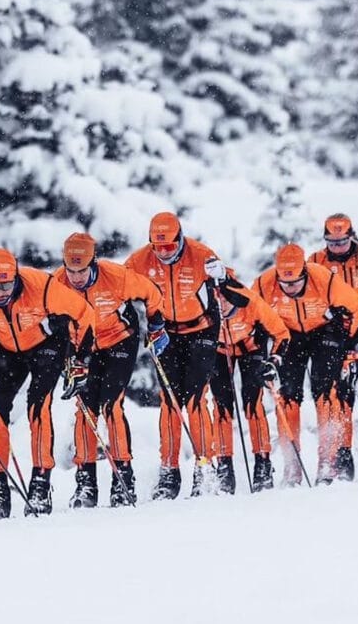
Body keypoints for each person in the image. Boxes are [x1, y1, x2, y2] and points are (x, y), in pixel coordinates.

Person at [0, 248, 95, 517]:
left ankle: (40, 483)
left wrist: (81, 360)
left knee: (38, 406)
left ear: (16, 278)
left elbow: (84, 313)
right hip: (7, 347)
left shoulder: (41, 286)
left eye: (6, 285)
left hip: (47, 345)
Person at [53, 232, 165, 508]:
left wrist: (156, 325)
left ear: (93, 262)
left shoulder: (116, 277)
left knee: (111, 405)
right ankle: (86, 482)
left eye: (82, 271)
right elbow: (47, 321)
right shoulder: (56, 283)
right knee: (85, 408)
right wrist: (65, 357)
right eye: (71, 271)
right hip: (83, 348)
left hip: (119, 340)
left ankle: (123, 477)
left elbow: (152, 293)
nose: (76, 278)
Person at [124, 212, 223, 500]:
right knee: (169, 401)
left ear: (180, 239)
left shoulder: (201, 254)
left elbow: (226, 283)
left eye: (170, 246)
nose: (165, 253)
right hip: (165, 333)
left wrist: (222, 275)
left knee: (195, 398)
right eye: (159, 247)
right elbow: (117, 283)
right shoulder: (139, 260)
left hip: (201, 330)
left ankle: (205, 468)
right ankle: (169, 470)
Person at [254, 243, 358, 485]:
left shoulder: (323, 278)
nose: (290, 289)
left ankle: (328, 462)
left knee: (325, 390)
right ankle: (291, 465)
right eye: (285, 284)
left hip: (324, 331)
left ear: (304, 272)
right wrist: (261, 356)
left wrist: (351, 344)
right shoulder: (264, 284)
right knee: (288, 395)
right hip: (288, 335)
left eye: (295, 283)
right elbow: (252, 317)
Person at [308, 214, 358, 480]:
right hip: (337, 331)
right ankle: (342, 456)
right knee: (340, 393)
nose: (337, 247)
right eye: (331, 242)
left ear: (351, 236)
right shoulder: (316, 261)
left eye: (342, 242)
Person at [207, 269, 290, 493]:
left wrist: (274, 360)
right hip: (219, 351)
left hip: (251, 348)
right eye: (216, 299)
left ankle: (263, 464)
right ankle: (224, 467)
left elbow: (281, 333)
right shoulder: (204, 304)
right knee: (222, 405)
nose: (221, 304)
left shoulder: (252, 302)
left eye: (225, 299)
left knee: (252, 402)